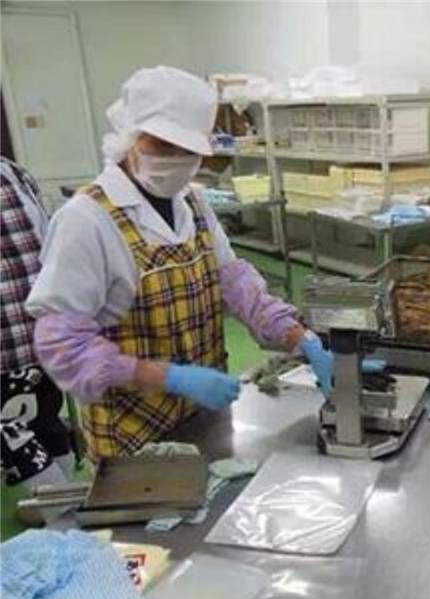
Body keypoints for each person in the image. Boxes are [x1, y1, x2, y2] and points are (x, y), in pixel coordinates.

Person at [26, 66, 335, 460]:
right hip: (131, 437)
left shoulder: (192, 203)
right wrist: (167, 377)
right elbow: (61, 345)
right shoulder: (86, 220)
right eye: (162, 144)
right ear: (130, 136)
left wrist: (301, 339)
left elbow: (238, 286)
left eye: (187, 150)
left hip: (204, 419)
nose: (175, 158)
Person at [1, 157, 75, 489]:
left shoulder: (11, 172)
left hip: (13, 346)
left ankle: (64, 510)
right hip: (38, 335)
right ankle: (66, 500)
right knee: (41, 425)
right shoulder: (11, 171)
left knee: (19, 435)